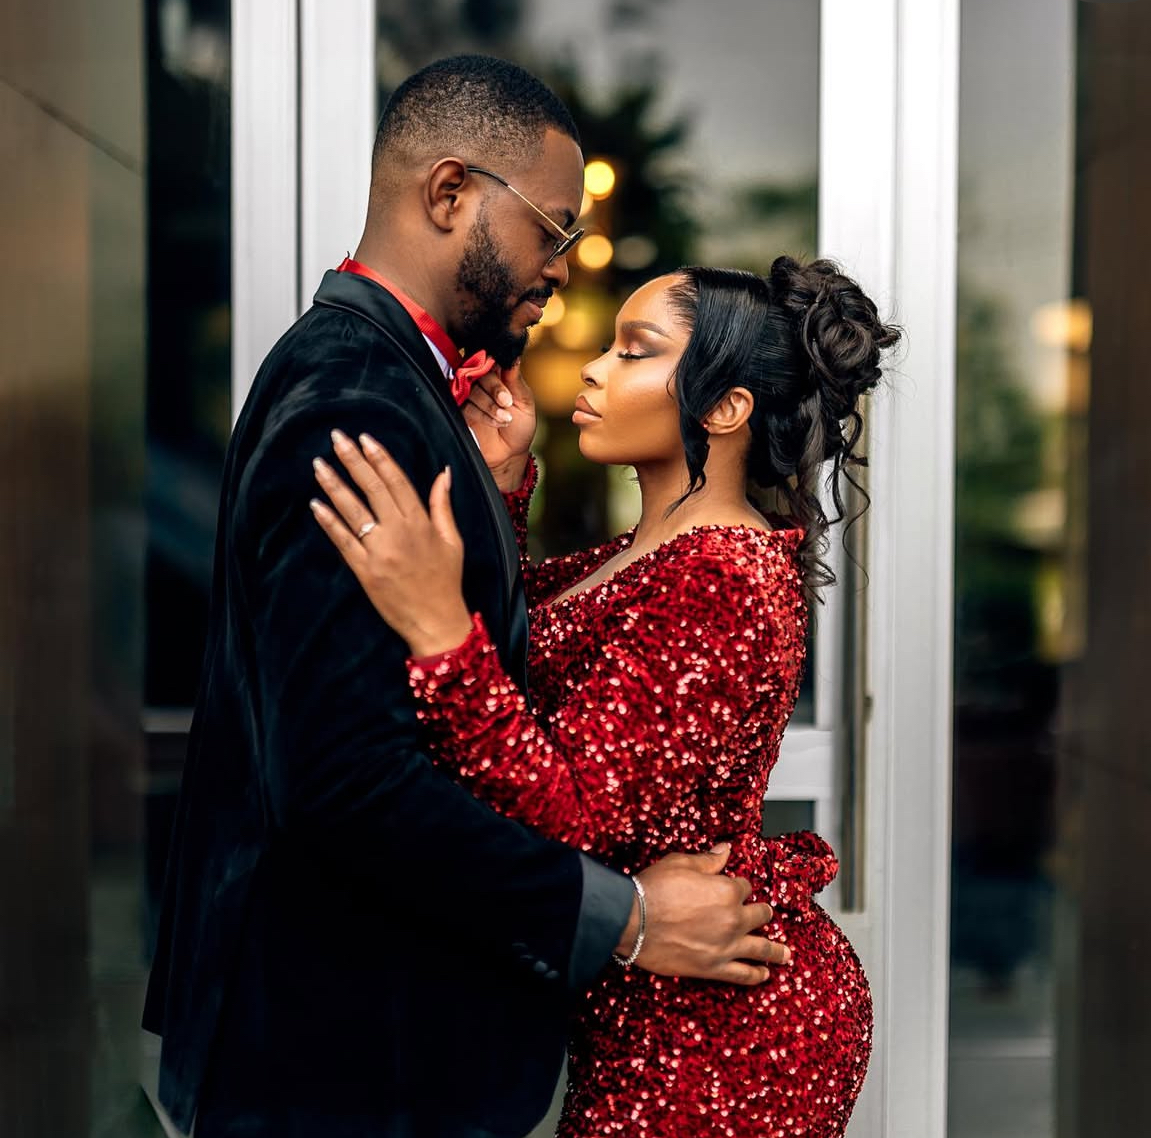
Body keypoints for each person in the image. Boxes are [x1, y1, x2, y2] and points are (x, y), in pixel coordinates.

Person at [143, 55, 789, 1138]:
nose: (561, 272)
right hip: (345, 1065)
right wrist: (625, 918)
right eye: (550, 230)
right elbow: (347, 780)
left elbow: (496, 653)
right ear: (448, 195)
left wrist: (498, 509)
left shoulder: (383, 383)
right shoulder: (357, 405)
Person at [309, 256, 901, 1136]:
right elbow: (532, 659)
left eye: (635, 351)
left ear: (724, 406)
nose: (591, 366)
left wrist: (439, 632)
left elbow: (572, 816)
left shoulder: (724, 578)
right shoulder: (650, 553)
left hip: (723, 1032)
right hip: (658, 1006)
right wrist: (508, 487)